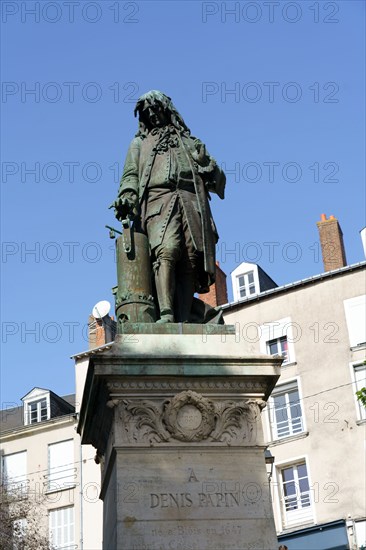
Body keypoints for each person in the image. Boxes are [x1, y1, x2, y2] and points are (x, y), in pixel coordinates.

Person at [112, 90, 226, 323]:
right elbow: (130, 177)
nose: (153, 115)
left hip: (191, 203)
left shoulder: (189, 142)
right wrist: (126, 198)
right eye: (147, 112)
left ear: (168, 110)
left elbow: (218, 180)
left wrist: (205, 162)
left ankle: (183, 319)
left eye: (156, 109)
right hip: (158, 201)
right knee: (167, 251)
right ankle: (166, 313)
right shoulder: (139, 144)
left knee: (190, 261)